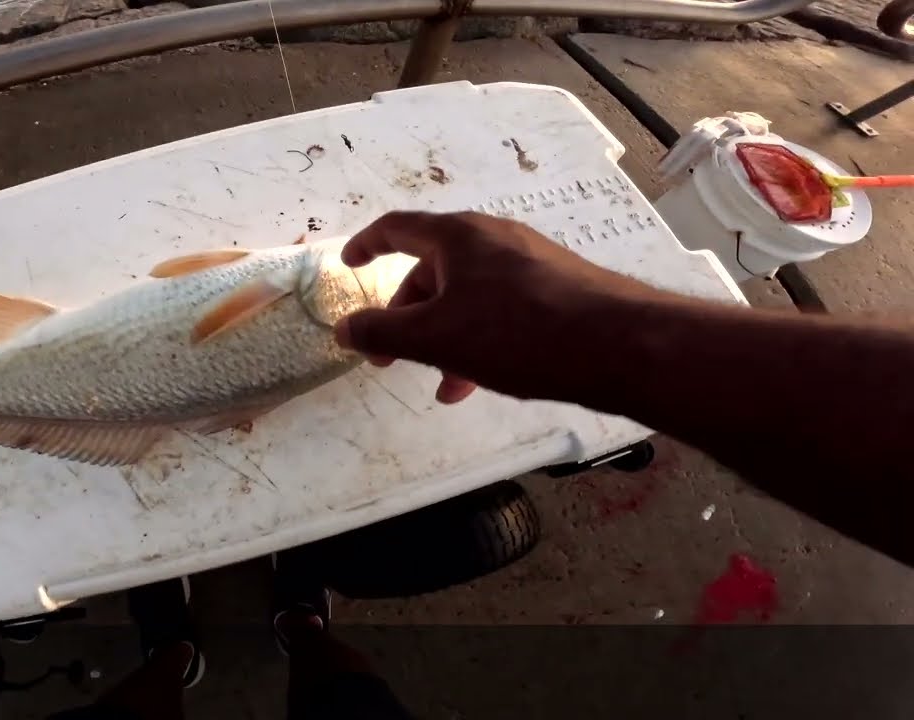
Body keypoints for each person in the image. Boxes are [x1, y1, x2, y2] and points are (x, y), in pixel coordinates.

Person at [51, 210, 914, 720]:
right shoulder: (322, 301)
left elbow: (181, 273)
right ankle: (300, 629)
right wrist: (601, 331)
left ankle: (170, 656)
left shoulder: (312, 294)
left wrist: (608, 333)